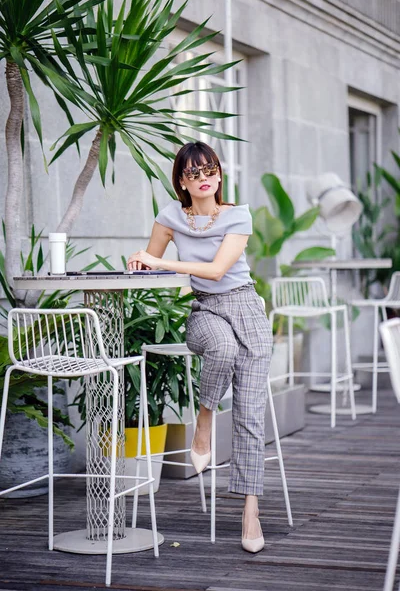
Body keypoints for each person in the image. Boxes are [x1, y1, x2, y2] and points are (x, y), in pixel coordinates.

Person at [128, 141, 273, 553]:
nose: (204, 177)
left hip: (246, 305)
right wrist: (139, 262)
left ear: (220, 175)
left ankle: (250, 511)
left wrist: (162, 263)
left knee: (249, 412)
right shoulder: (170, 216)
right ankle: (205, 418)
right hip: (205, 311)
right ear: (181, 182)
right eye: (193, 173)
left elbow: (216, 270)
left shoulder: (237, 215)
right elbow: (148, 267)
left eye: (209, 169)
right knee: (221, 349)